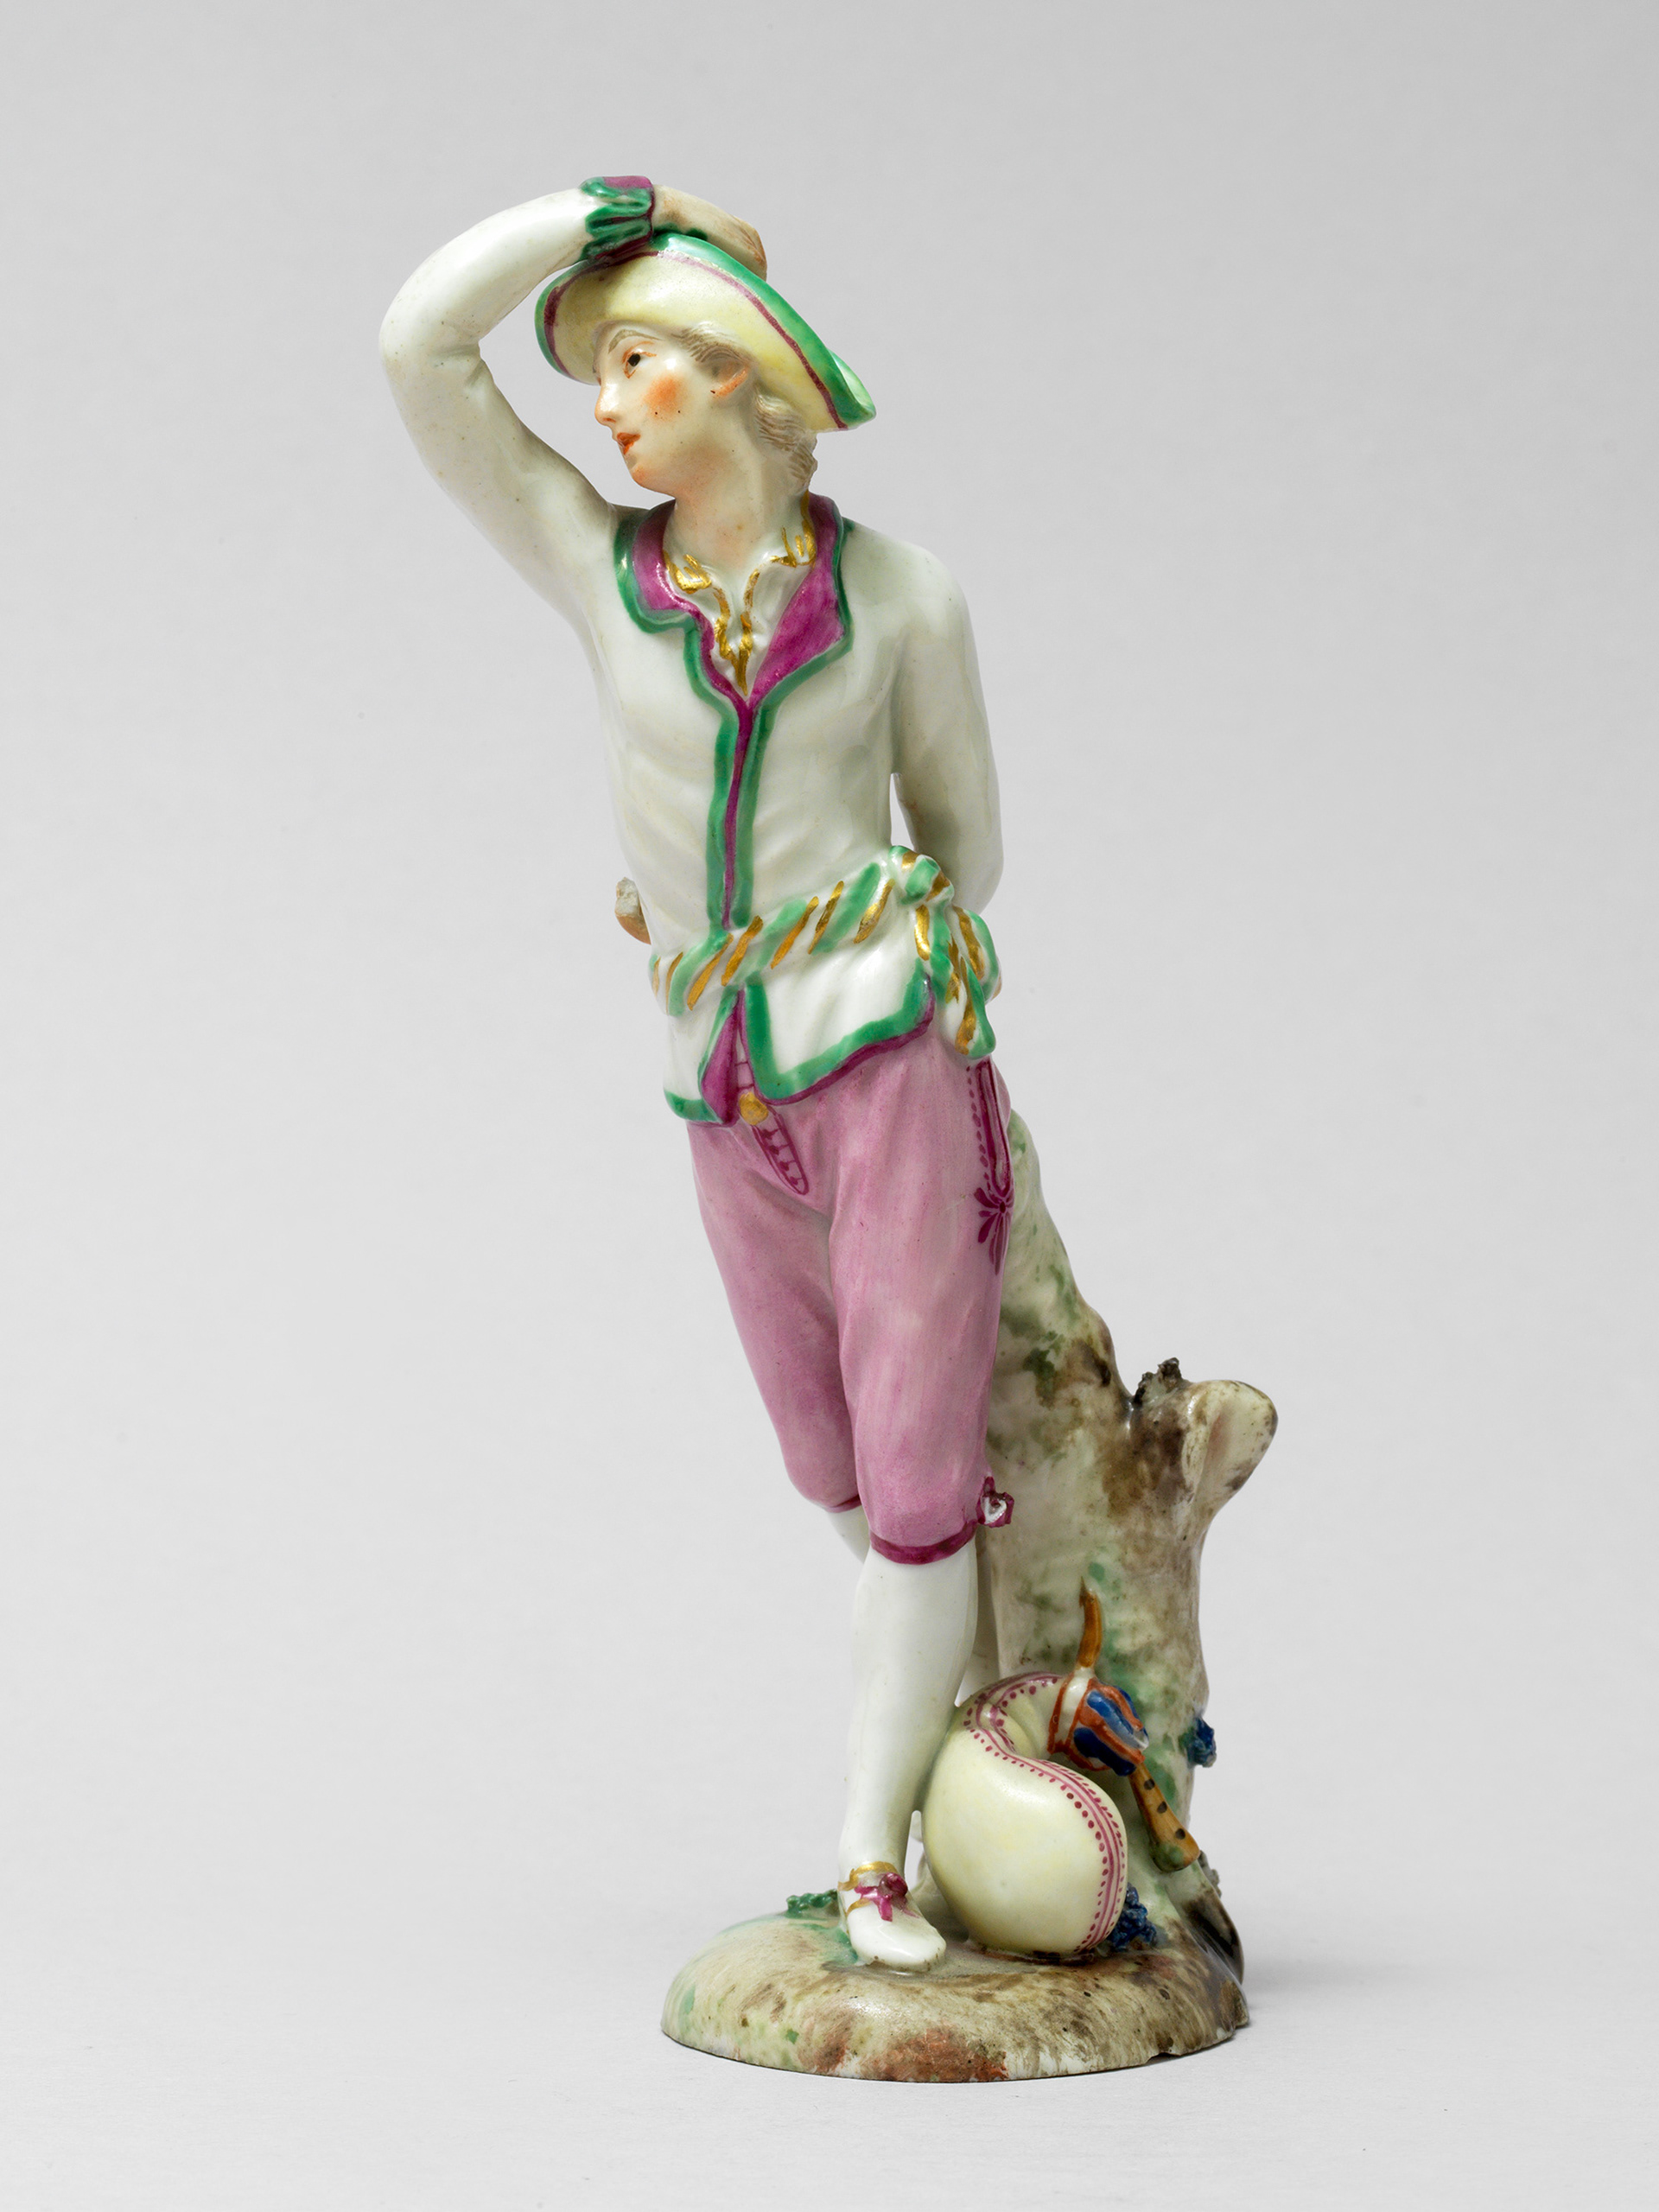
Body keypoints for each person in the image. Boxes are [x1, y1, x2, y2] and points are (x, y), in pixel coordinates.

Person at [381, 179, 1014, 1971]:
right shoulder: (603, 576)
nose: (602, 405)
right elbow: (419, 347)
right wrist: (613, 207)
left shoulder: (901, 600)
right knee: (834, 1468)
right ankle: (979, 1737)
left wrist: (854, 945)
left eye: (635, 361)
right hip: (719, 1083)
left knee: (917, 1479)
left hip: (879, 1060)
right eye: (596, 372)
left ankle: (872, 1857)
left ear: (740, 376)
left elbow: (966, 846)